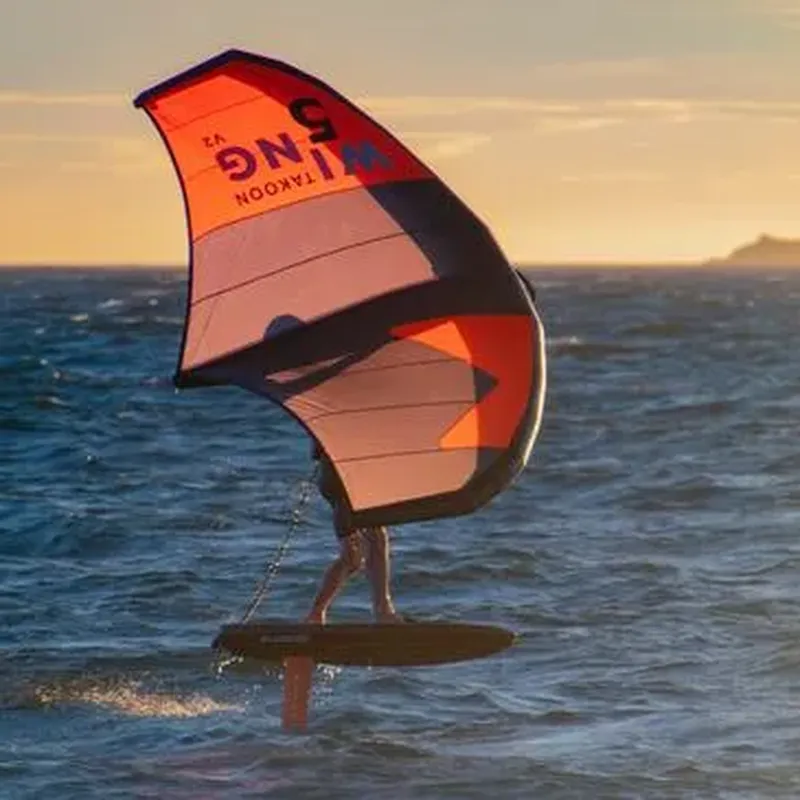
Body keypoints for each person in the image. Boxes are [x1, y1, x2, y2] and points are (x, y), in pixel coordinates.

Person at [306, 442, 403, 625]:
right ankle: (383, 610)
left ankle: (316, 615)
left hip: (333, 474)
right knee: (374, 534)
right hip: (343, 470)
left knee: (352, 554)